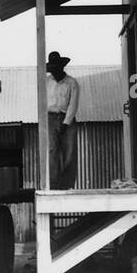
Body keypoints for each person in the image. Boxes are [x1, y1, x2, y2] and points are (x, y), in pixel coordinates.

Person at [45, 51, 80, 190]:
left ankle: (67, 185)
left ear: (62, 67)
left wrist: (66, 123)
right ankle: (53, 185)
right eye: (51, 69)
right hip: (50, 117)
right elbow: (42, 102)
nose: (54, 72)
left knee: (70, 152)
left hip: (67, 118)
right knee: (52, 151)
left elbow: (73, 104)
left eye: (56, 68)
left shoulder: (72, 83)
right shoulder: (46, 82)